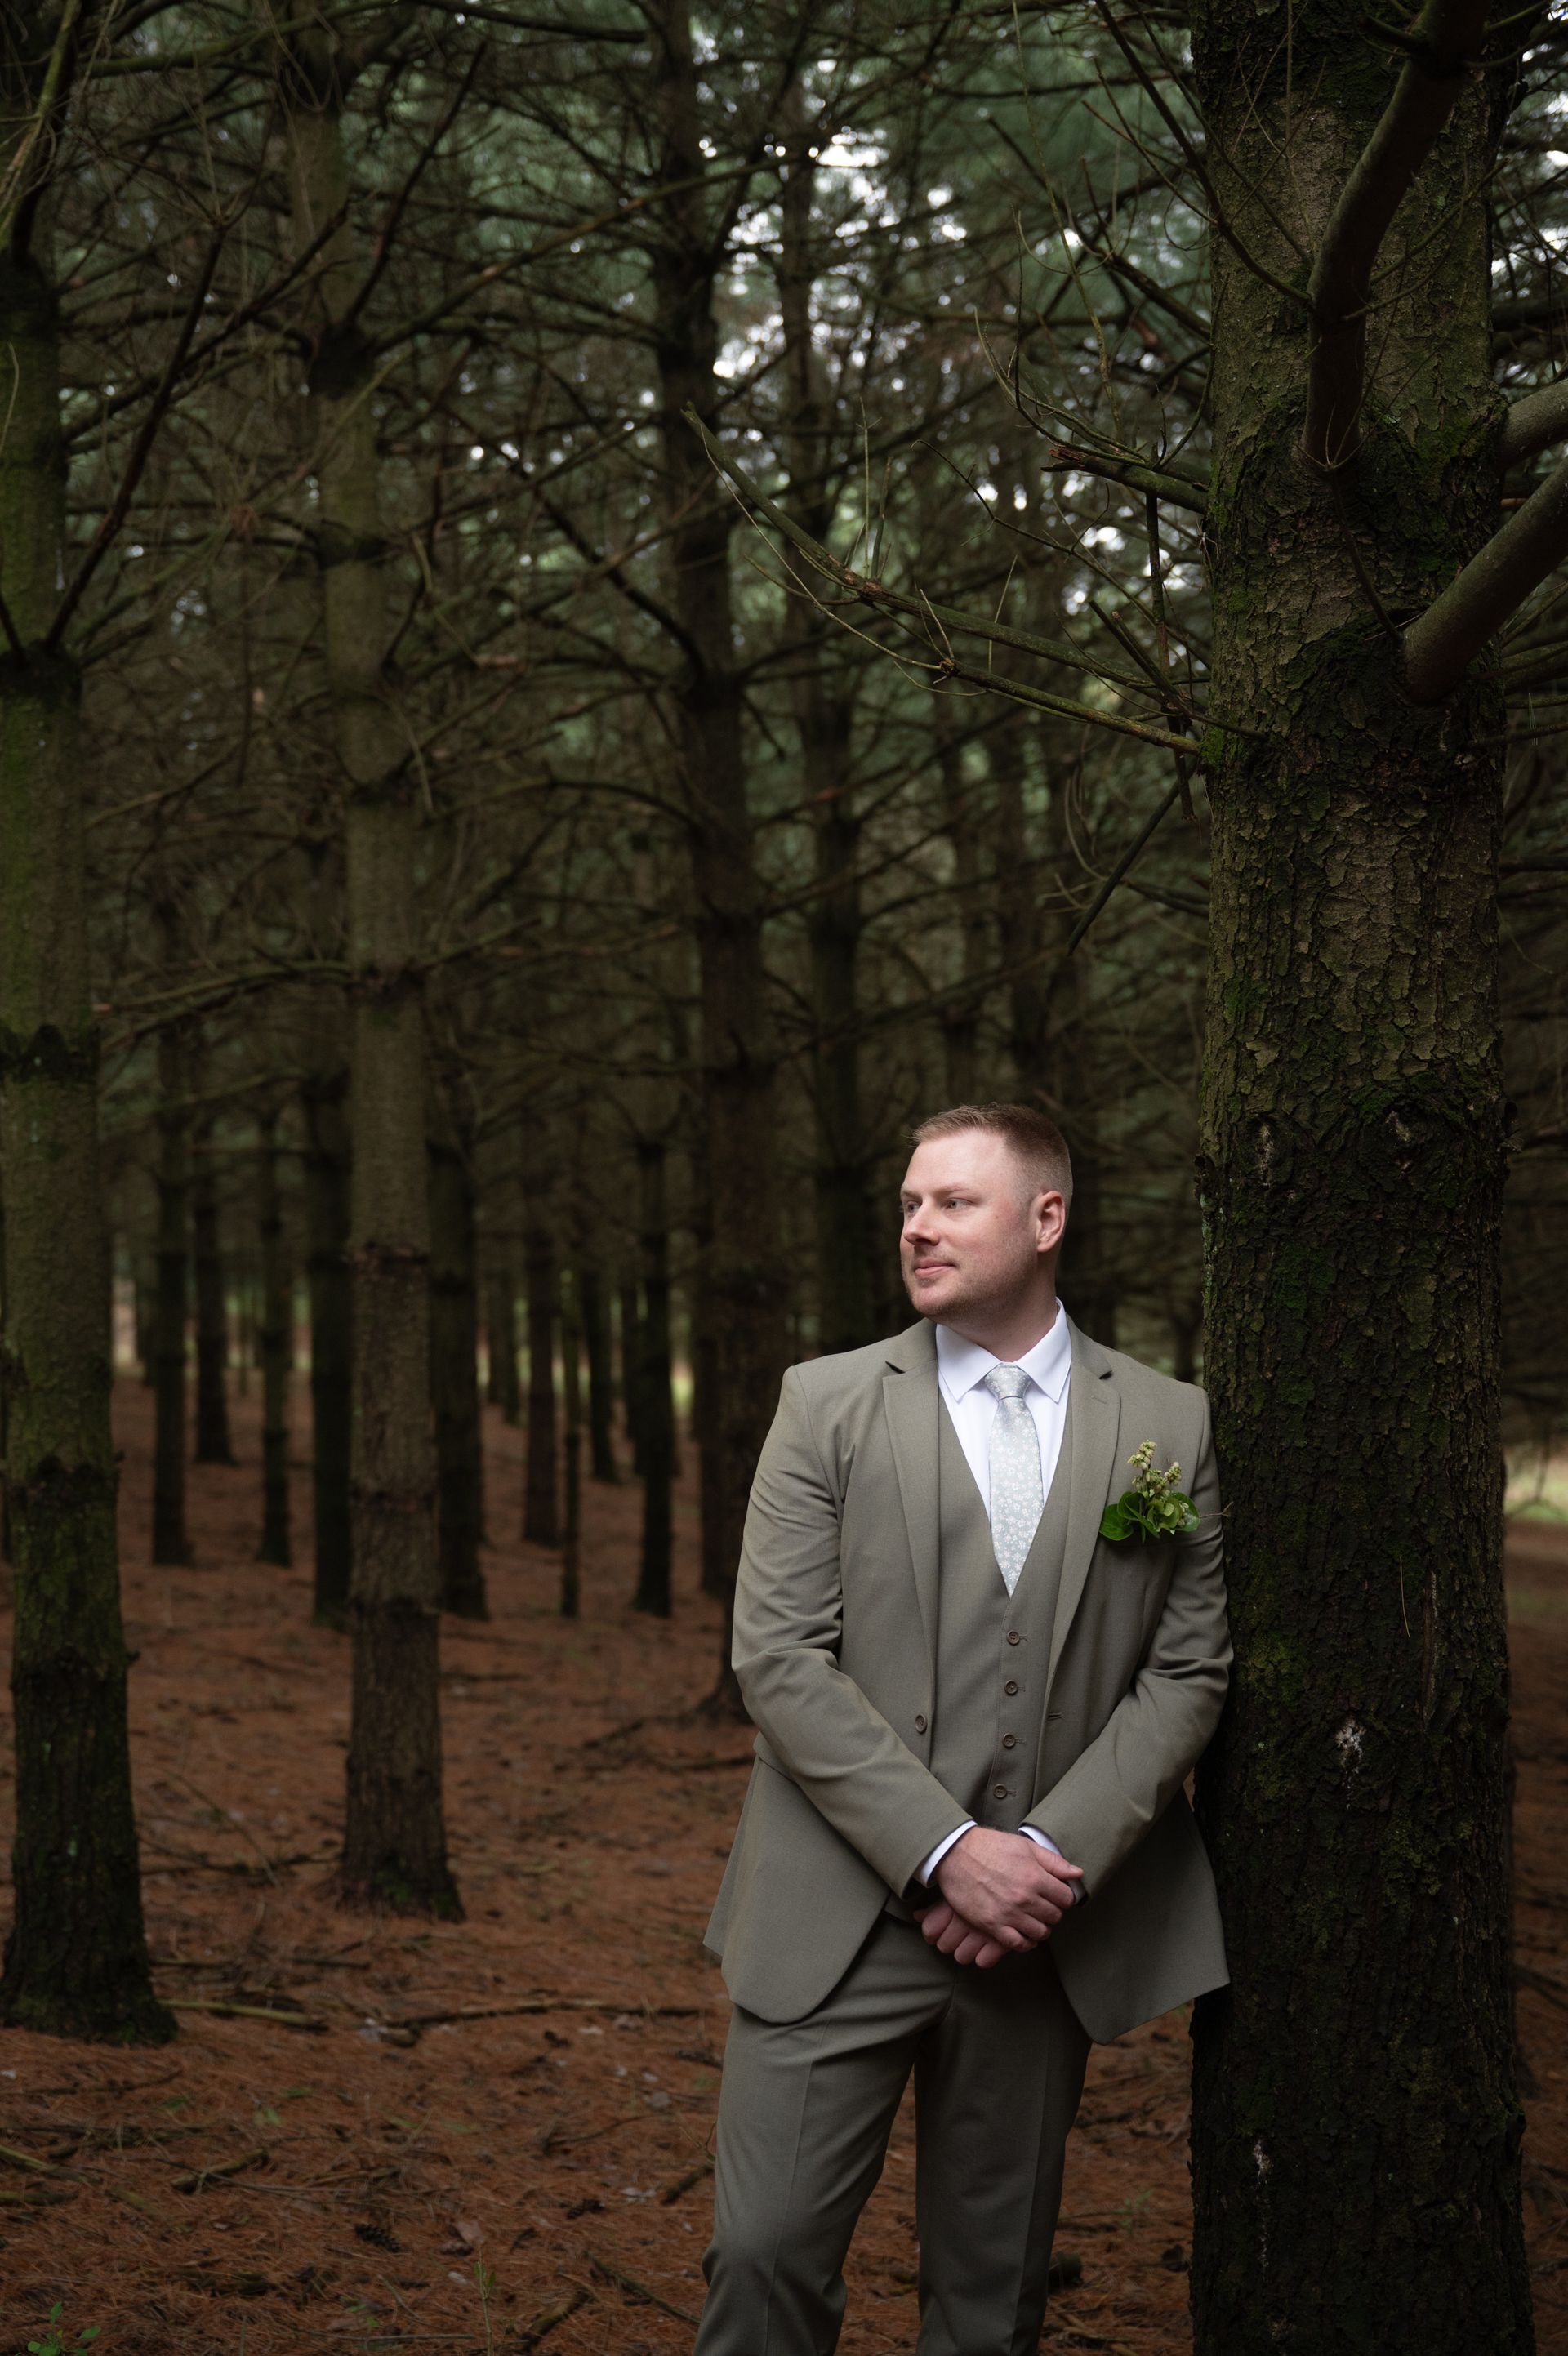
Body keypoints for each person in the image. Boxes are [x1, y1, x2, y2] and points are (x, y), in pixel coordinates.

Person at [693, 1100, 1230, 2356]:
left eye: (952, 1202)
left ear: (1048, 1219)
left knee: (991, 2302)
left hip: (1040, 1933)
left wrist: (1037, 1855)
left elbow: (1189, 1668)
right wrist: (948, 1849)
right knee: (763, 2255)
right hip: (833, 1918)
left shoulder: (1169, 1424)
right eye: (908, 1205)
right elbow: (777, 1655)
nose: (917, 1228)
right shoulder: (824, 1404)